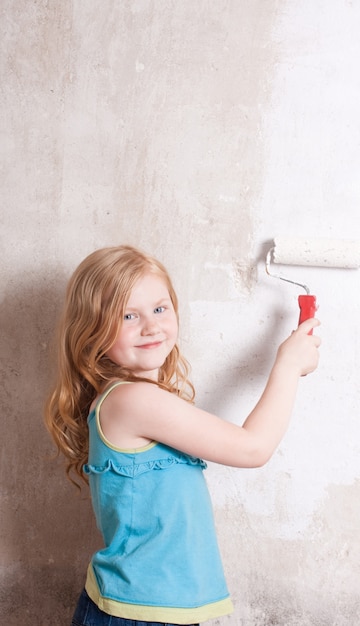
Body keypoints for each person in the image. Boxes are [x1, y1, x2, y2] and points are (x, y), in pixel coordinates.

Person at [44, 244, 321, 626]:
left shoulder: (139, 398)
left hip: (159, 610)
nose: (152, 326)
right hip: (137, 614)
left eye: (159, 308)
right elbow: (253, 448)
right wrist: (288, 365)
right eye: (128, 315)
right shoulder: (132, 400)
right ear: (92, 331)